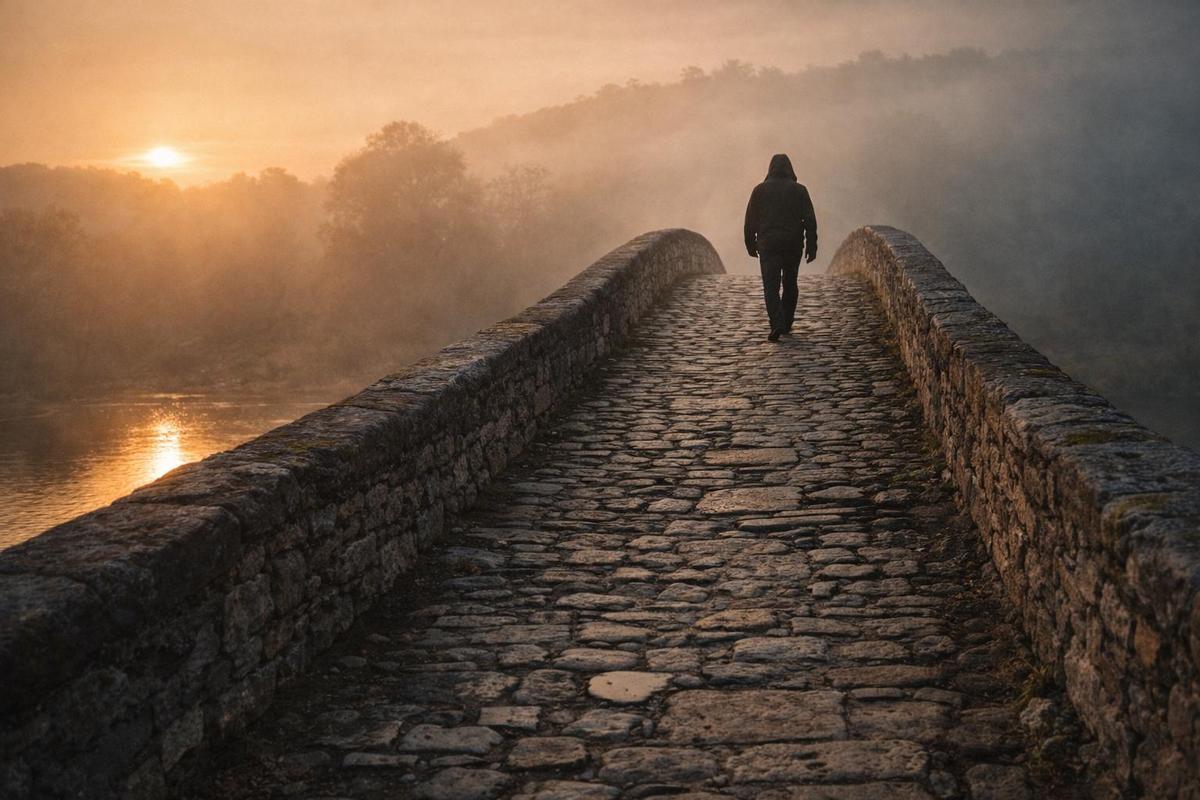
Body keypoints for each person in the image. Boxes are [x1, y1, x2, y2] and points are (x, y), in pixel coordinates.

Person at [743, 154, 818, 341]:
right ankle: (787, 321)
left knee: (771, 286)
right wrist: (812, 245)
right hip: (792, 244)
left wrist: (750, 243)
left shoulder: (759, 190)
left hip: (768, 244)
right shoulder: (800, 190)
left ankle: (777, 322)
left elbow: (750, 220)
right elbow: (810, 220)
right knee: (790, 283)